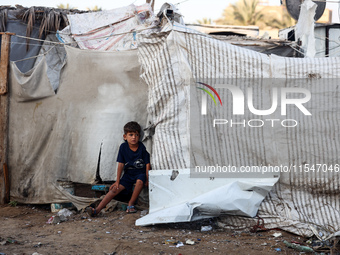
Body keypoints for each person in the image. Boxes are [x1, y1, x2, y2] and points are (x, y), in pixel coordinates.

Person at [87, 121, 151, 215]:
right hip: (128, 175)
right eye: (131, 135)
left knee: (140, 182)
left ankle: (130, 204)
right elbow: (120, 164)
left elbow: (147, 164)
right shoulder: (123, 147)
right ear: (125, 137)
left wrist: (148, 179)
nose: (134, 137)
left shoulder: (142, 147)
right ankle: (97, 210)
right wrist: (117, 181)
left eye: (136, 135)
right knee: (114, 189)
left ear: (139, 136)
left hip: (140, 173)